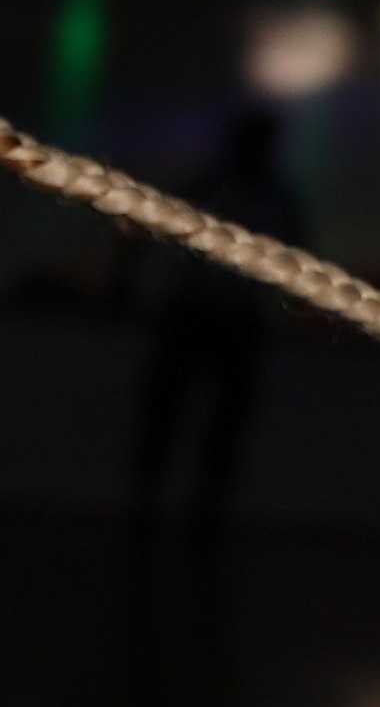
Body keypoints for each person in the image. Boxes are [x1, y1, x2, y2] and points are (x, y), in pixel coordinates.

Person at [130, 106, 306, 542]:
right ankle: (144, 511)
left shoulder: (277, 199)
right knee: (167, 418)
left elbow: (300, 266)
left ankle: (204, 517)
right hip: (191, 314)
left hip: (237, 323)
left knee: (222, 428)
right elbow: (144, 235)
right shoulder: (206, 188)